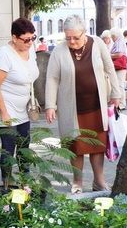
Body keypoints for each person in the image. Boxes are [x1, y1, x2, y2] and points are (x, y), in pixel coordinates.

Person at [45, 15, 120, 194]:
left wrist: (117, 94)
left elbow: (110, 68)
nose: (71, 41)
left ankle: (99, 181)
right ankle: (77, 181)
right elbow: (52, 78)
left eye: (76, 37)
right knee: (76, 146)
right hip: (72, 108)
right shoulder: (59, 51)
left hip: (96, 104)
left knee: (96, 144)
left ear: (84, 33)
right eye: (68, 37)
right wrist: (50, 105)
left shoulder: (97, 44)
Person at [0, 17, 39, 187]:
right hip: (5, 104)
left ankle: (25, 179)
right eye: (25, 40)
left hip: (23, 105)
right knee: (8, 145)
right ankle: (7, 182)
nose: (30, 43)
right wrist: (3, 112)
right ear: (14, 38)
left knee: (25, 142)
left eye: (33, 38)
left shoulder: (30, 50)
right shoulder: (4, 54)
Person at [110, 28, 127, 110]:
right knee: (119, 85)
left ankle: (122, 103)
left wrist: (109, 55)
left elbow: (120, 54)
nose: (112, 38)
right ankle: (120, 103)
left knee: (120, 85)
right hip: (120, 67)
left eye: (112, 36)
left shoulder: (119, 42)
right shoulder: (120, 41)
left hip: (120, 67)